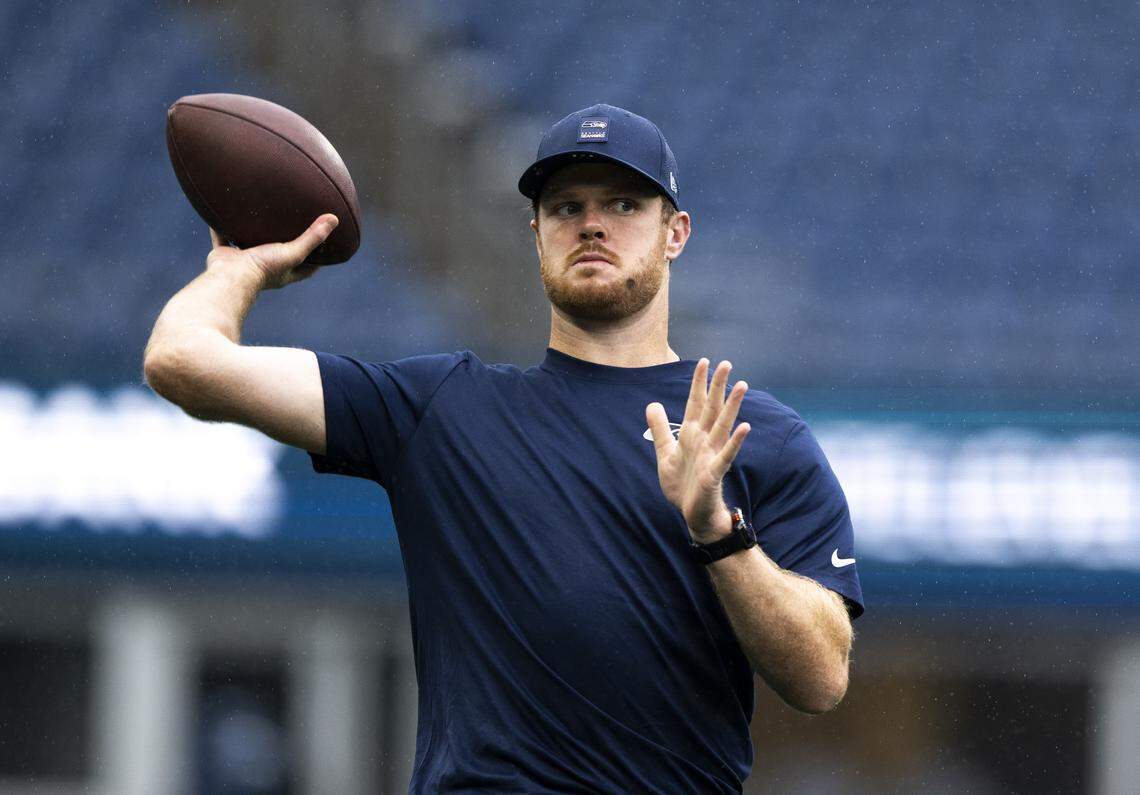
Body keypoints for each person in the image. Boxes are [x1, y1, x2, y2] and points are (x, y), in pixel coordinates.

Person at [144, 103, 864, 793]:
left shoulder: (752, 434)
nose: (590, 225)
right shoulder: (442, 409)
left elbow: (821, 678)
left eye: (622, 205)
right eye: (564, 207)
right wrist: (238, 271)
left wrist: (717, 532)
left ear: (674, 232)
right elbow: (183, 362)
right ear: (536, 233)